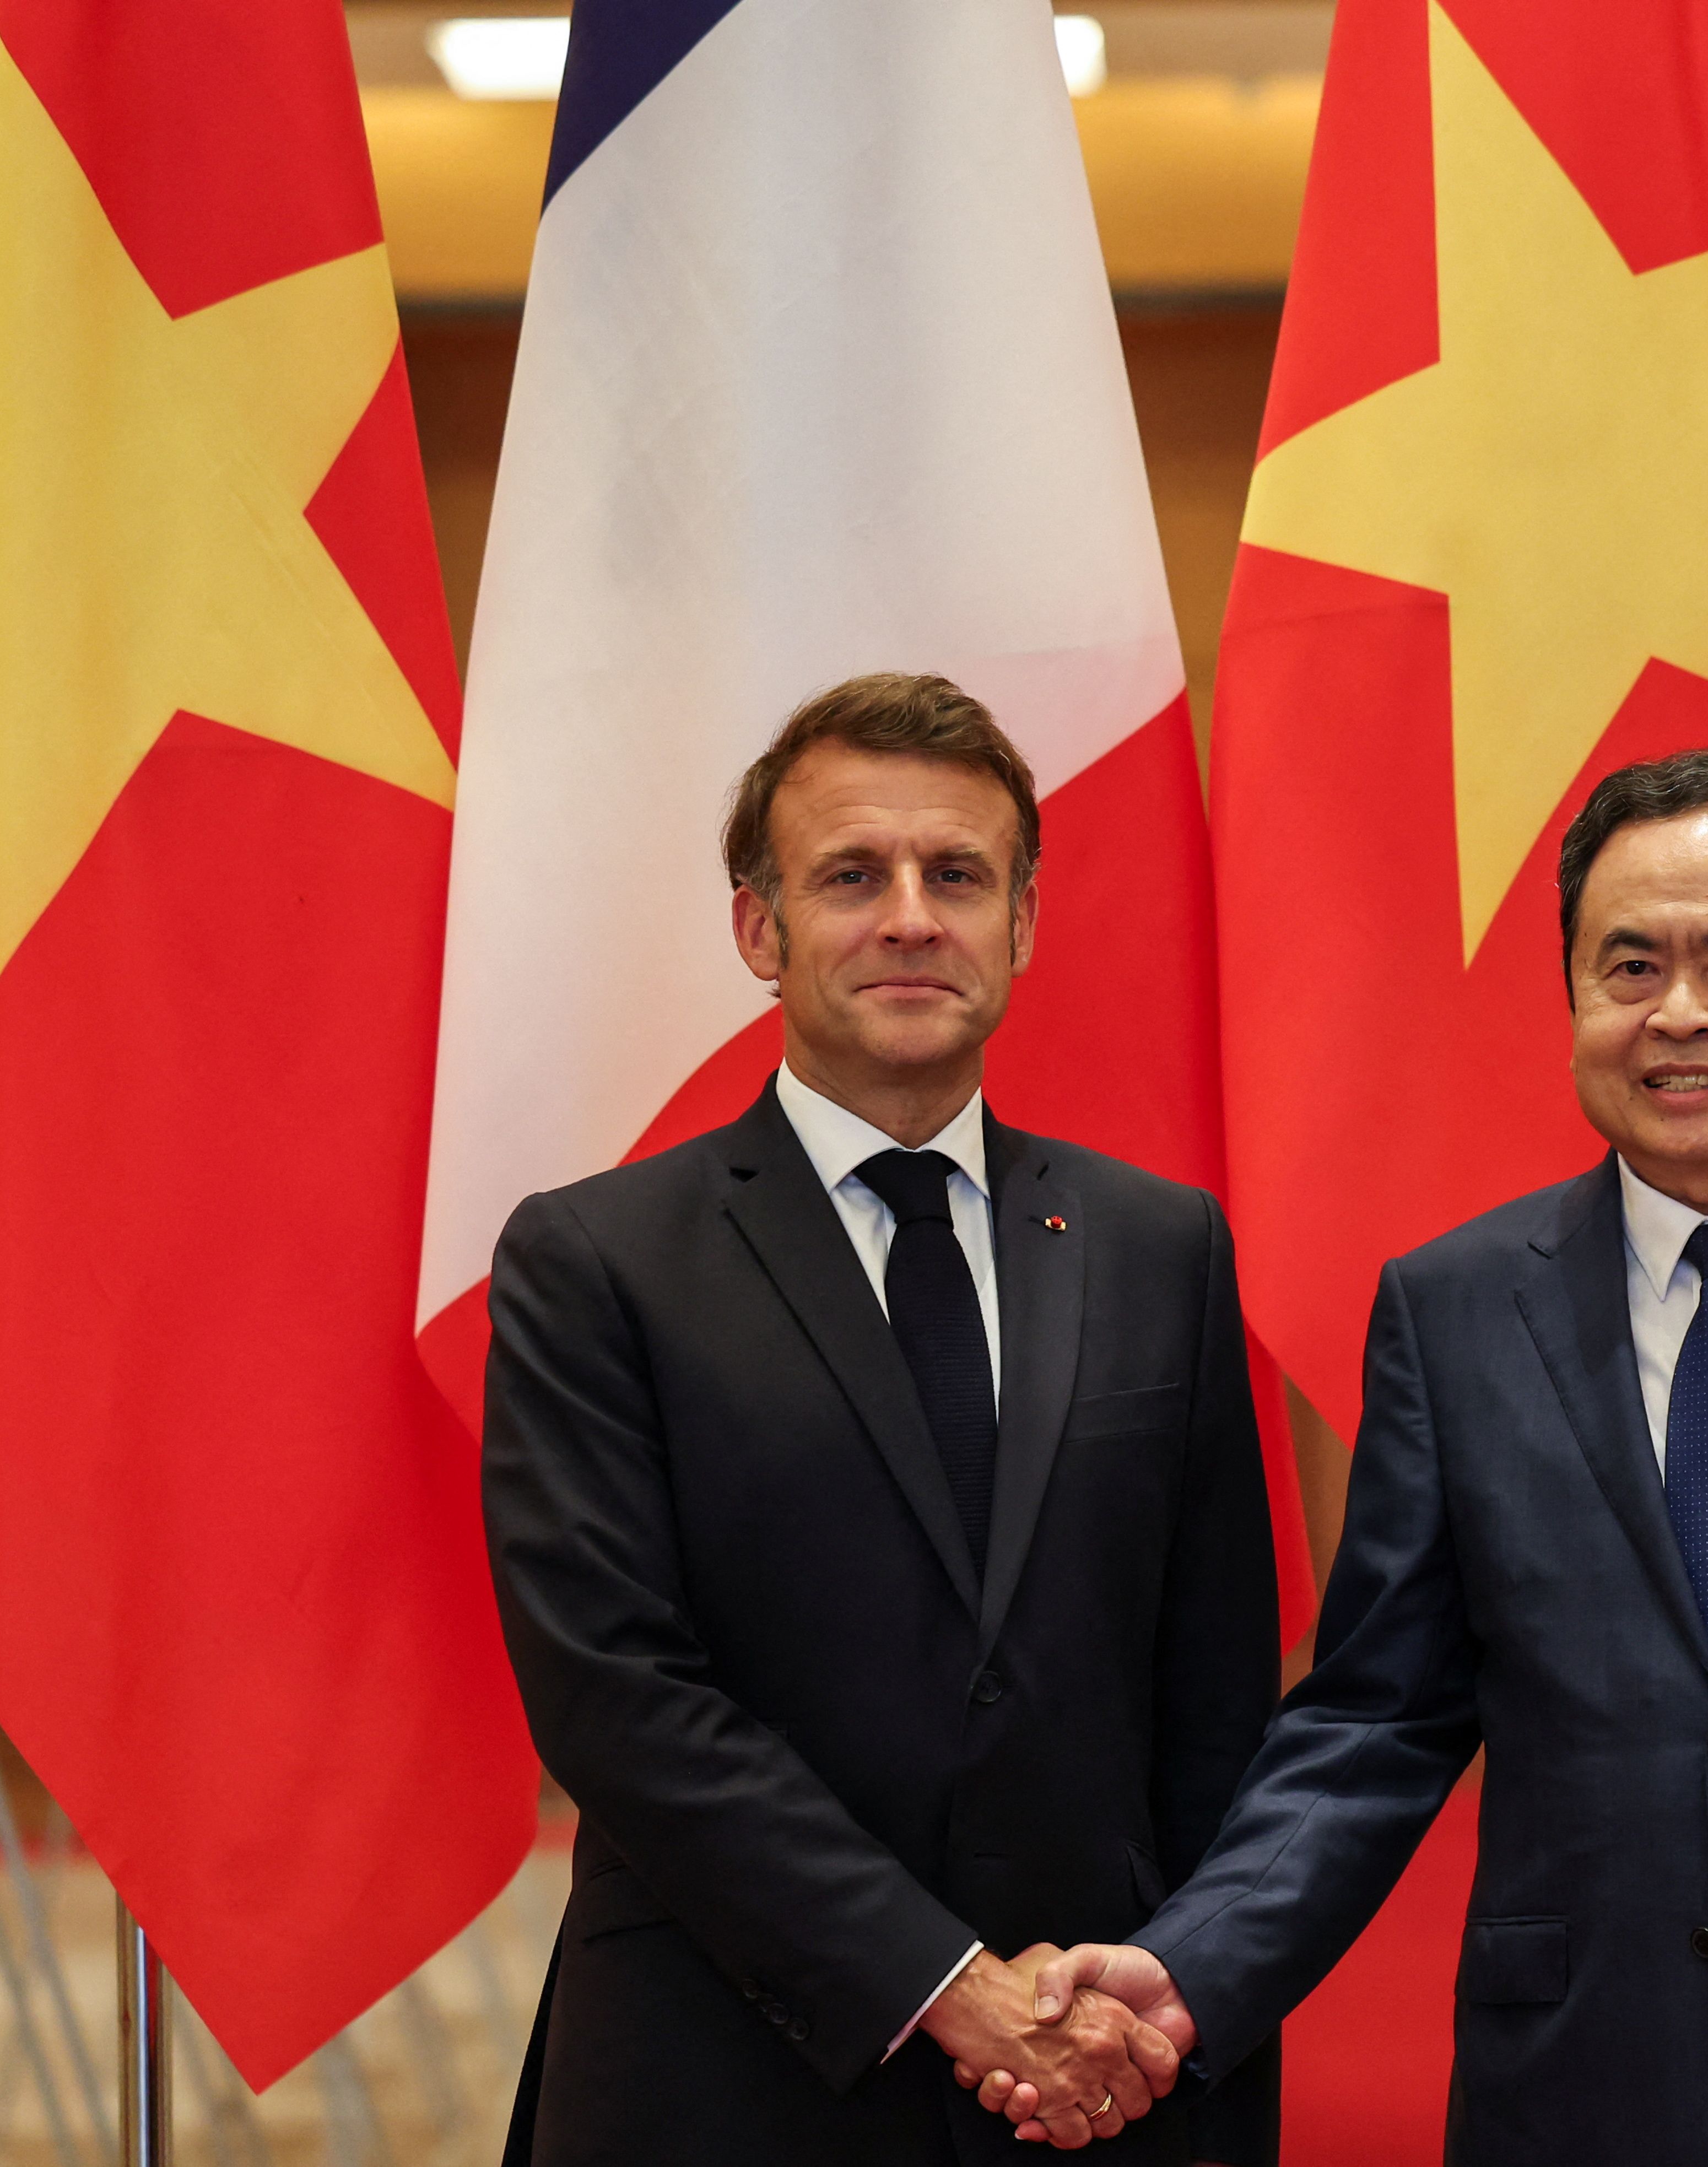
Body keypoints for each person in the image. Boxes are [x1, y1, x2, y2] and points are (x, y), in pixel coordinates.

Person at [989, 749, 1708, 2163]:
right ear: (1572, 997)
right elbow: (1376, 1720)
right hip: (1577, 2097)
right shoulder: (1454, 1309)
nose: (1681, 1013)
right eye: (1630, 966)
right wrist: (1186, 1968)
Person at [480, 673, 1282, 2167]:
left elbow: (1214, 1707)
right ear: (757, 929)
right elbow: (618, 1698)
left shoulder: (1161, 1246)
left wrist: (1190, 2032)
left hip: (1090, 2083)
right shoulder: (595, 1259)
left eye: (957, 875)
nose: (910, 916)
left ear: (1022, 925)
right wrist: (949, 1987)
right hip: (723, 2074)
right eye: (851, 874)